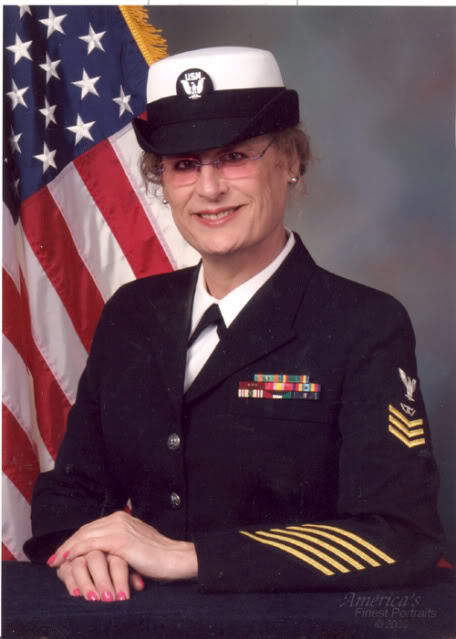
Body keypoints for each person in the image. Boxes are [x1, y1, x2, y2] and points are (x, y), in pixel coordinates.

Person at [24, 46, 446, 602]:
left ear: (290, 161)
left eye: (234, 157)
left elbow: (400, 535)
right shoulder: (133, 313)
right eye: (184, 164)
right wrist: (86, 547)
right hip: (137, 620)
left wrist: (189, 557)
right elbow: (72, 490)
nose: (209, 189)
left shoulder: (364, 324)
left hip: (293, 627)